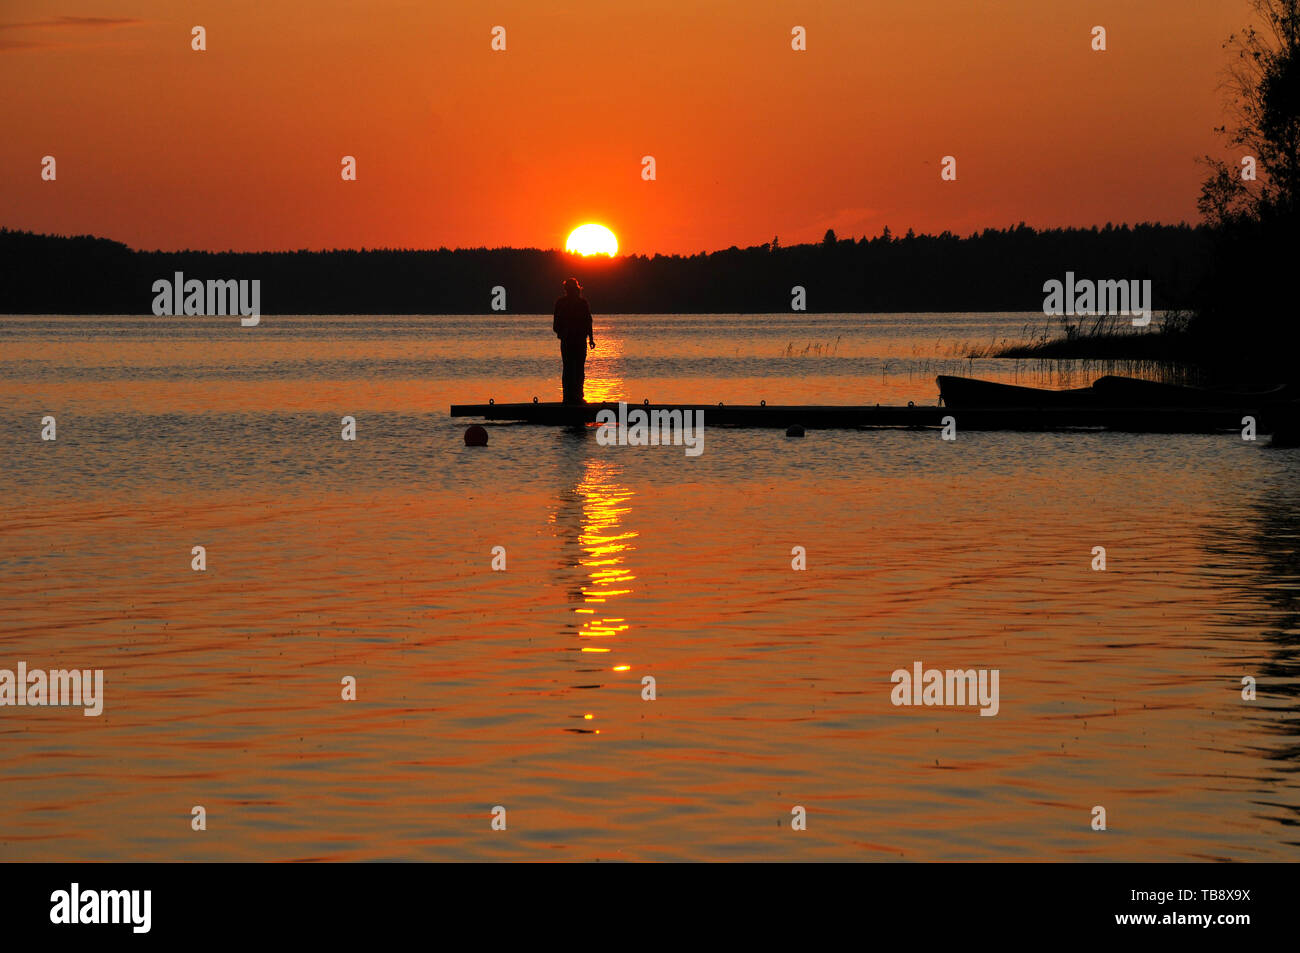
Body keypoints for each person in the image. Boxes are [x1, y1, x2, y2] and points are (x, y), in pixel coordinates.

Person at [553, 277, 596, 403]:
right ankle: (572, 396)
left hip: (574, 340)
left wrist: (591, 339)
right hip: (573, 341)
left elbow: (588, 322)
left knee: (572, 368)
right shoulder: (575, 303)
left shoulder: (576, 303)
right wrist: (591, 338)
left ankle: (573, 396)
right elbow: (588, 322)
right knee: (573, 368)